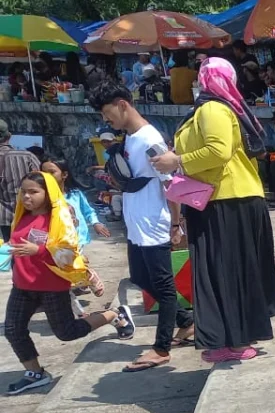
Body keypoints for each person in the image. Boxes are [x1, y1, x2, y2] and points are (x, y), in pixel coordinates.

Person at [148, 57, 275, 362]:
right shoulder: (210, 108)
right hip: (217, 200)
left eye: (200, 76)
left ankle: (235, 340)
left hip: (229, 200)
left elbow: (218, 151)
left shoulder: (213, 109)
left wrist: (177, 161)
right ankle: (226, 338)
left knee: (228, 272)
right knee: (221, 272)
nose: (196, 82)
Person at [88, 81, 197, 370]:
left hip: (154, 222)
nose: (105, 119)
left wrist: (176, 223)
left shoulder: (150, 140)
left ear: (123, 104)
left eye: (106, 112)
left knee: (162, 286)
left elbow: (170, 183)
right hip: (137, 223)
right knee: (139, 276)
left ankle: (161, 348)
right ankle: (187, 323)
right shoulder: (132, 138)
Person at [4, 171, 135, 393]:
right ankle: (35, 372)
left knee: (67, 332)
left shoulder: (59, 219)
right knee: (13, 329)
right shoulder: (22, 216)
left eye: (33, 192)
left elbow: (68, 252)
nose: (26, 197)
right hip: (22, 286)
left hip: (51, 286)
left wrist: (39, 250)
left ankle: (114, 314)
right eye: (23, 192)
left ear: (48, 194)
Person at [40, 158, 110, 299]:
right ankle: (81, 281)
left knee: (69, 266)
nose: (47, 176)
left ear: (64, 175)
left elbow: (88, 211)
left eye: (52, 172)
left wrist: (96, 223)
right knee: (61, 267)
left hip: (76, 238)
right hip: (54, 239)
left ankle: (87, 276)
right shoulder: (43, 197)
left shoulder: (75, 194)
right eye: (43, 172)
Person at [0, 119, 41, 241]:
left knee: (8, 251)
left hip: (3, 218)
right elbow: (43, 183)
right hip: (29, 213)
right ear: (9, 136)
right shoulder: (27, 156)